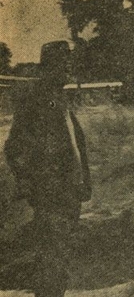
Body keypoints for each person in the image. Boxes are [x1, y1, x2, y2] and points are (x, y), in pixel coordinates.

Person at [4, 41, 92, 297]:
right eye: (64, 64)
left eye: (69, 63)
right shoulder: (35, 102)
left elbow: (74, 145)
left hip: (67, 193)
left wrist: (83, 182)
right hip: (50, 195)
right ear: (49, 67)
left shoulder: (59, 100)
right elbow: (14, 148)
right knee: (51, 261)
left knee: (59, 259)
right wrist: (32, 182)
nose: (69, 69)